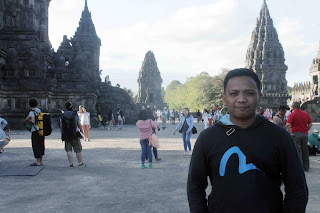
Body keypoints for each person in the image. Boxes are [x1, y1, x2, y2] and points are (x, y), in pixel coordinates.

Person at [187, 68, 308, 212]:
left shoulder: (279, 137)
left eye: (249, 93)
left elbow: (297, 188)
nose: (241, 99)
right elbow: (195, 187)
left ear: (259, 97)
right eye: (234, 93)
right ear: (224, 98)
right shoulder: (207, 138)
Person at [286, 101, 312, 172]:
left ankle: (300, 166)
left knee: (298, 151)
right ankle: (306, 166)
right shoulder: (305, 114)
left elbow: (288, 124)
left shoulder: (292, 114)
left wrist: (290, 132)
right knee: (305, 151)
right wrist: (306, 130)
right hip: (304, 134)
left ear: (293, 107)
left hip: (296, 133)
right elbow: (310, 124)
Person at [60, 102, 85, 168]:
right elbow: (79, 125)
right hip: (75, 134)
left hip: (66, 134)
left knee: (68, 150)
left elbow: (61, 126)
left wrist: (62, 133)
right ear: (72, 107)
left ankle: (71, 164)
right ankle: (80, 163)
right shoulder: (75, 115)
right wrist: (82, 132)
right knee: (77, 149)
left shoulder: (63, 115)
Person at [26, 99, 45, 166]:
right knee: (41, 145)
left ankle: (38, 162)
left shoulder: (31, 112)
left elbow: (33, 121)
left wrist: (28, 119)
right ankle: (41, 160)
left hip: (35, 131)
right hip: (41, 129)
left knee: (36, 145)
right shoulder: (39, 110)